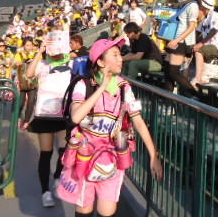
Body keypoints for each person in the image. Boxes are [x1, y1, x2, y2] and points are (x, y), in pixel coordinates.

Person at [63, 38, 162, 217]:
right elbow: (76, 116)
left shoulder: (124, 88)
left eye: (120, 55)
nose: (120, 59)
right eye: (114, 55)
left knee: (107, 211)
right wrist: (101, 88)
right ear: (100, 62)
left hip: (111, 158)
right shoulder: (83, 85)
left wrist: (153, 154)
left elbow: (138, 121)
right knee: (84, 209)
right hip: (84, 156)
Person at [26, 40, 74, 208]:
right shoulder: (43, 64)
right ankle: (45, 191)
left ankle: (57, 178)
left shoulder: (71, 63)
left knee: (63, 151)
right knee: (46, 153)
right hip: (45, 115)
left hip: (62, 114)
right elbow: (29, 74)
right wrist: (39, 52)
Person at [164, 0, 199, 98]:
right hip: (173, 39)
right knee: (167, 70)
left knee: (173, 72)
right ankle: (167, 100)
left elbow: (192, 27)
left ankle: (195, 95)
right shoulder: (182, 3)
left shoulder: (193, 5)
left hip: (181, 41)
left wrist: (177, 40)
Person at [191, 0, 218, 89]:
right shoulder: (205, 19)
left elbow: (214, 30)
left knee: (199, 50)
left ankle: (198, 78)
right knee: (192, 48)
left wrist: (201, 43)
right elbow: (197, 32)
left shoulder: (214, 15)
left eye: (200, 6)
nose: (198, 8)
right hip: (210, 45)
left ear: (204, 7)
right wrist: (191, 43)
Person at [14, 37, 38, 130]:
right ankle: (18, 117)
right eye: (27, 45)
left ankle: (27, 121)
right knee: (21, 103)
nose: (29, 47)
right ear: (23, 46)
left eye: (31, 45)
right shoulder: (19, 54)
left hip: (33, 82)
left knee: (31, 102)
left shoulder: (36, 54)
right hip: (22, 82)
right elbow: (14, 65)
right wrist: (20, 62)